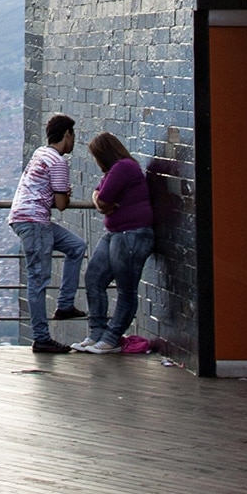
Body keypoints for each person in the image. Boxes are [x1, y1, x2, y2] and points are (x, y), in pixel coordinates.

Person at [9, 113, 89, 354]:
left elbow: (47, 191)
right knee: (38, 280)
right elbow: (62, 203)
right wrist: (65, 193)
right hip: (35, 222)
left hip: (27, 218)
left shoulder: (40, 153)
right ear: (67, 135)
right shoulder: (58, 162)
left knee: (76, 246)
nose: (74, 141)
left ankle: (65, 304)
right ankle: (42, 338)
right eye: (73, 135)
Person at [77, 132, 155, 353]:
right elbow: (98, 197)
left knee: (126, 289)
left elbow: (101, 200)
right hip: (116, 232)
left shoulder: (123, 167)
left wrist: (100, 200)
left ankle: (110, 338)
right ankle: (97, 334)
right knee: (93, 278)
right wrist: (99, 199)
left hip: (132, 234)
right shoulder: (117, 170)